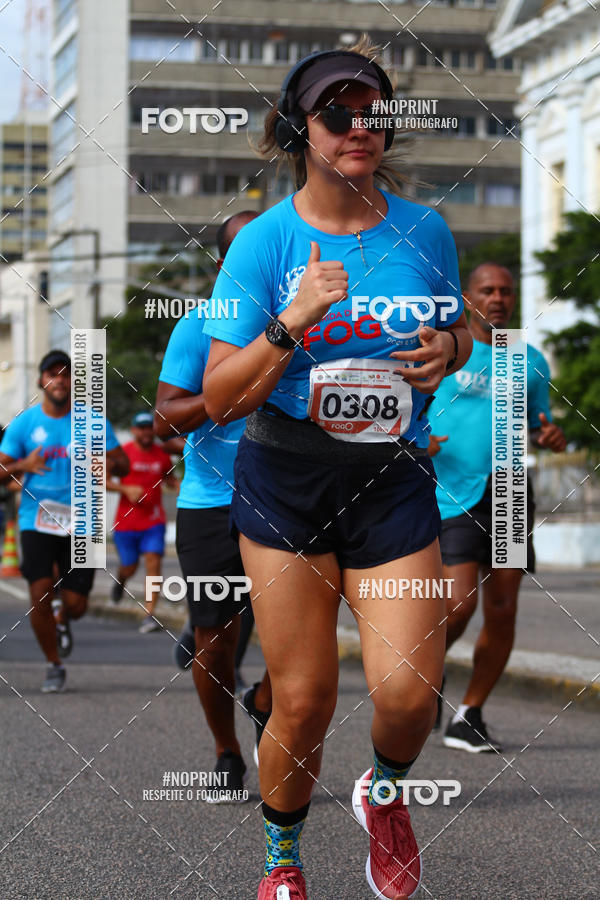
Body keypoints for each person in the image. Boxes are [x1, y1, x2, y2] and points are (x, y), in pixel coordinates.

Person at [202, 41, 472, 900]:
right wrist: (291, 323)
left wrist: (451, 345)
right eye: (336, 113)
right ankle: (282, 862)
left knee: (410, 693)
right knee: (305, 697)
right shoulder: (263, 242)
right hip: (287, 482)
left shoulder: (426, 230)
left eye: (373, 113)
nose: (359, 127)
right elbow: (218, 398)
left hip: (391, 479)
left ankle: (382, 793)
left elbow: (462, 329)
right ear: (299, 131)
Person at [155, 210, 272, 799]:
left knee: (300, 634)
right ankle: (227, 751)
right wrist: (226, 392)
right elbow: (164, 418)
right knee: (215, 641)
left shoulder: (311, 322)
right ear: (226, 262)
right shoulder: (198, 325)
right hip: (210, 504)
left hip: (287, 501)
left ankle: (264, 699)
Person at [428, 263, 566, 751]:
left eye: (506, 291)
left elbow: (538, 424)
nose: (498, 299)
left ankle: (469, 714)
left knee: (503, 609)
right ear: (469, 298)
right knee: (459, 604)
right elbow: (408, 405)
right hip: (451, 491)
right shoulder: (447, 348)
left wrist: (549, 436)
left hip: (508, 490)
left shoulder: (528, 359)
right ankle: (423, 674)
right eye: (488, 290)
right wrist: (419, 438)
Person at [0, 350, 129, 692]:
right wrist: (21, 466)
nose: (60, 380)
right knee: (39, 591)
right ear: (41, 380)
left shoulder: (94, 422)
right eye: (53, 374)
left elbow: (124, 464)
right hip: (37, 518)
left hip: (83, 520)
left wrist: (106, 463)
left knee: (77, 605)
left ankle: (63, 615)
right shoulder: (24, 424)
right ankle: (53, 664)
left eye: (66, 374)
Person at [108, 410, 180, 632]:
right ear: (133, 430)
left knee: (153, 562)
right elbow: (102, 479)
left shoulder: (162, 454)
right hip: (126, 523)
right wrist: (125, 489)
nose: (146, 432)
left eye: (149, 428)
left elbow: (169, 478)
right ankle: (121, 580)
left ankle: (150, 614)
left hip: (153, 521)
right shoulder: (123, 453)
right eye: (141, 428)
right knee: (129, 566)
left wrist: (179, 486)